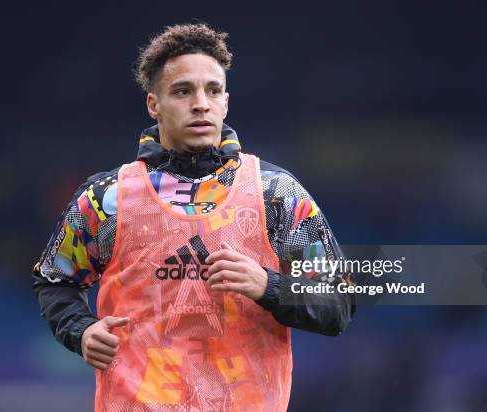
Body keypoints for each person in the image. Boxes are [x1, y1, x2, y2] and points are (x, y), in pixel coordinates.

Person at [33, 23, 354, 412]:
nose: (200, 103)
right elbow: (55, 280)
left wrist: (269, 286)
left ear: (226, 103)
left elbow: (339, 301)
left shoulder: (277, 194)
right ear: (154, 104)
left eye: (212, 91)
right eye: (183, 91)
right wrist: (80, 331)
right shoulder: (107, 199)